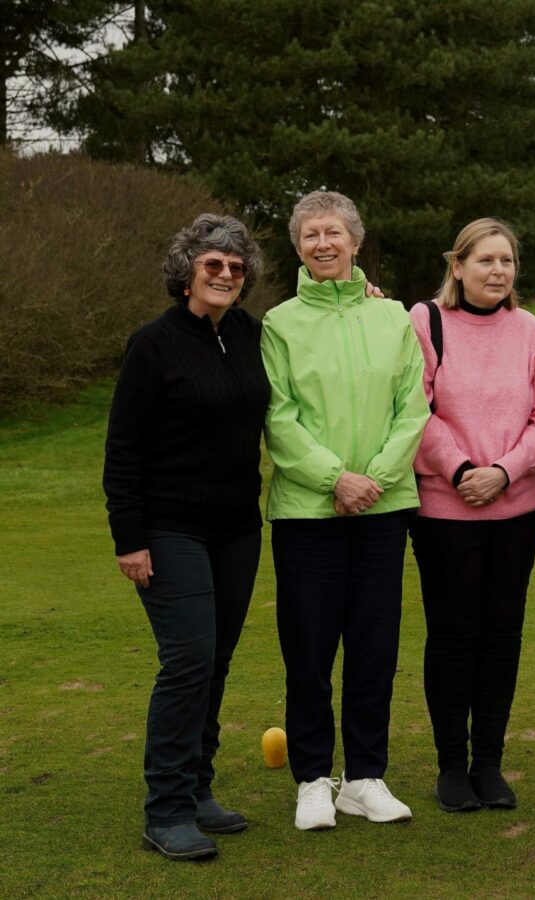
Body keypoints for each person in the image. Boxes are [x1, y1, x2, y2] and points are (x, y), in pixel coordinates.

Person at [262, 190, 429, 831]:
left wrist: (375, 480)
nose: (323, 244)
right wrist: (336, 478)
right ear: (298, 246)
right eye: (310, 235)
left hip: (384, 508)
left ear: (355, 242)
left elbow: (411, 409)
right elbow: (279, 418)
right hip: (308, 513)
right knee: (308, 645)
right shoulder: (279, 323)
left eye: (333, 232)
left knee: (373, 644)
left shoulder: (393, 320)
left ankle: (364, 776)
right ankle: (312, 779)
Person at [104, 214, 270, 861]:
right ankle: (166, 809)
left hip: (236, 528)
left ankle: (198, 790)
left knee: (216, 662)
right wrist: (130, 539)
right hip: (168, 528)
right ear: (187, 272)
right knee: (189, 661)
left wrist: (362, 293)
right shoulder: (152, 345)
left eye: (236, 265)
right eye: (213, 264)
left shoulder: (251, 334)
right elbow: (123, 449)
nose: (226, 273)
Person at [409, 219, 535, 813]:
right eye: (485, 261)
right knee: (452, 635)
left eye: (507, 262)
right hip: (445, 512)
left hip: (517, 509)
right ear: (457, 266)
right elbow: (412, 410)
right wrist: (461, 469)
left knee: (501, 635)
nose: (498, 271)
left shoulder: (529, 330)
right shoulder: (427, 322)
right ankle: (451, 766)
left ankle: (488, 763)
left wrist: (505, 470)